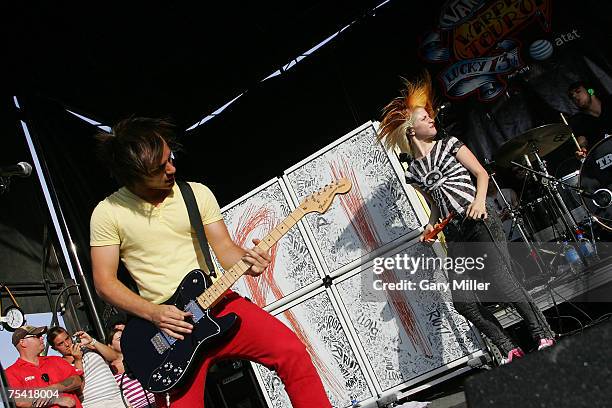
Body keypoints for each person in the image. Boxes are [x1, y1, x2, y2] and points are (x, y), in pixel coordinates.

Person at [89, 117, 331, 408]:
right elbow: (104, 283)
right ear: (134, 174)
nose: (172, 169)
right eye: (160, 167)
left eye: (171, 158)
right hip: (167, 330)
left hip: (218, 302)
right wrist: (154, 313)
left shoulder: (195, 193)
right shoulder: (108, 213)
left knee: (291, 352)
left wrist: (249, 260)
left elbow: (226, 249)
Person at [378, 72, 555, 364]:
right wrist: (430, 226)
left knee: (503, 281)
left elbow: (481, 175)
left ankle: (543, 333)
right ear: (411, 131)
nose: (432, 120)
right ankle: (509, 347)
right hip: (456, 233)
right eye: (425, 119)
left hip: (480, 222)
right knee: (464, 302)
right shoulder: (413, 173)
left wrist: (479, 201)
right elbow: (434, 203)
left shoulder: (451, 145)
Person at [5, 325, 82, 408]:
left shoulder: (55, 360)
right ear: (22, 342)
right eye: (37, 336)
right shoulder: (10, 373)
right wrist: (56, 399)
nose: (42, 338)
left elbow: (76, 380)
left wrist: (53, 388)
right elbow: (19, 400)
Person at [47, 326, 125, 408]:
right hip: (94, 404)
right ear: (54, 348)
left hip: (118, 399)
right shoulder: (60, 365)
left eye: (67, 339)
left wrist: (92, 341)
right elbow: (79, 389)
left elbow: (113, 357)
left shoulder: (88, 348)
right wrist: (78, 360)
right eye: (61, 344)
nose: (67, 344)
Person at [106, 327, 157, 408]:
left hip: (155, 401)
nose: (123, 340)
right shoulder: (110, 369)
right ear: (110, 346)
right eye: (119, 339)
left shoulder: (137, 356)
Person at [567, 81, 612, 155]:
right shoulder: (579, 121)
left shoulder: (609, 102)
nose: (574, 96)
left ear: (590, 91)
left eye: (578, 92)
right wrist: (582, 150)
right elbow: (582, 142)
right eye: (572, 96)